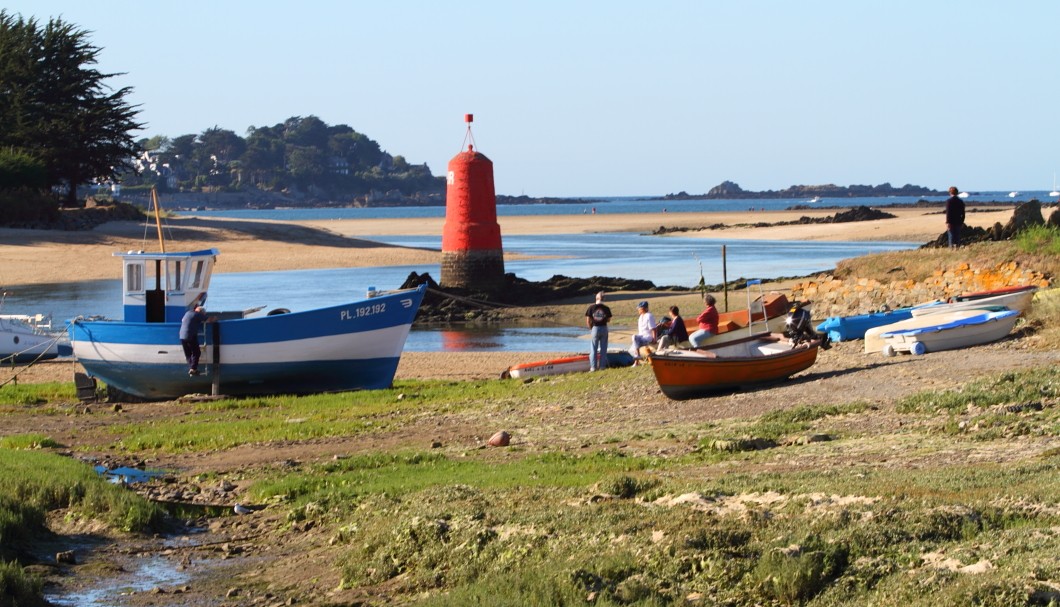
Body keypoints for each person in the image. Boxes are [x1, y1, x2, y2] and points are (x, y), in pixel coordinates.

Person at [179, 305, 215, 376]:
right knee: (196, 352)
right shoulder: (198, 314)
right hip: (190, 335)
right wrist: (215, 318)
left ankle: (192, 369)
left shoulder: (188, 313)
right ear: (201, 312)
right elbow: (208, 320)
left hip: (182, 335)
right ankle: (193, 368)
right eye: (204, 314)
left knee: (188, 354)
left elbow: (183, 320)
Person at [584, 291, 612, 371]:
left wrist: (591, 328)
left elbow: (588, 320)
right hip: (604, 328)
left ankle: (593, 367)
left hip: (595, 328)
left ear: (596, 298)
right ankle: (602, 367)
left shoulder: (591, 308)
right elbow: (609, 320)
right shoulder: (606, 308)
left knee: (593, 349)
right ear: (604, 299)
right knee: (603, 349)